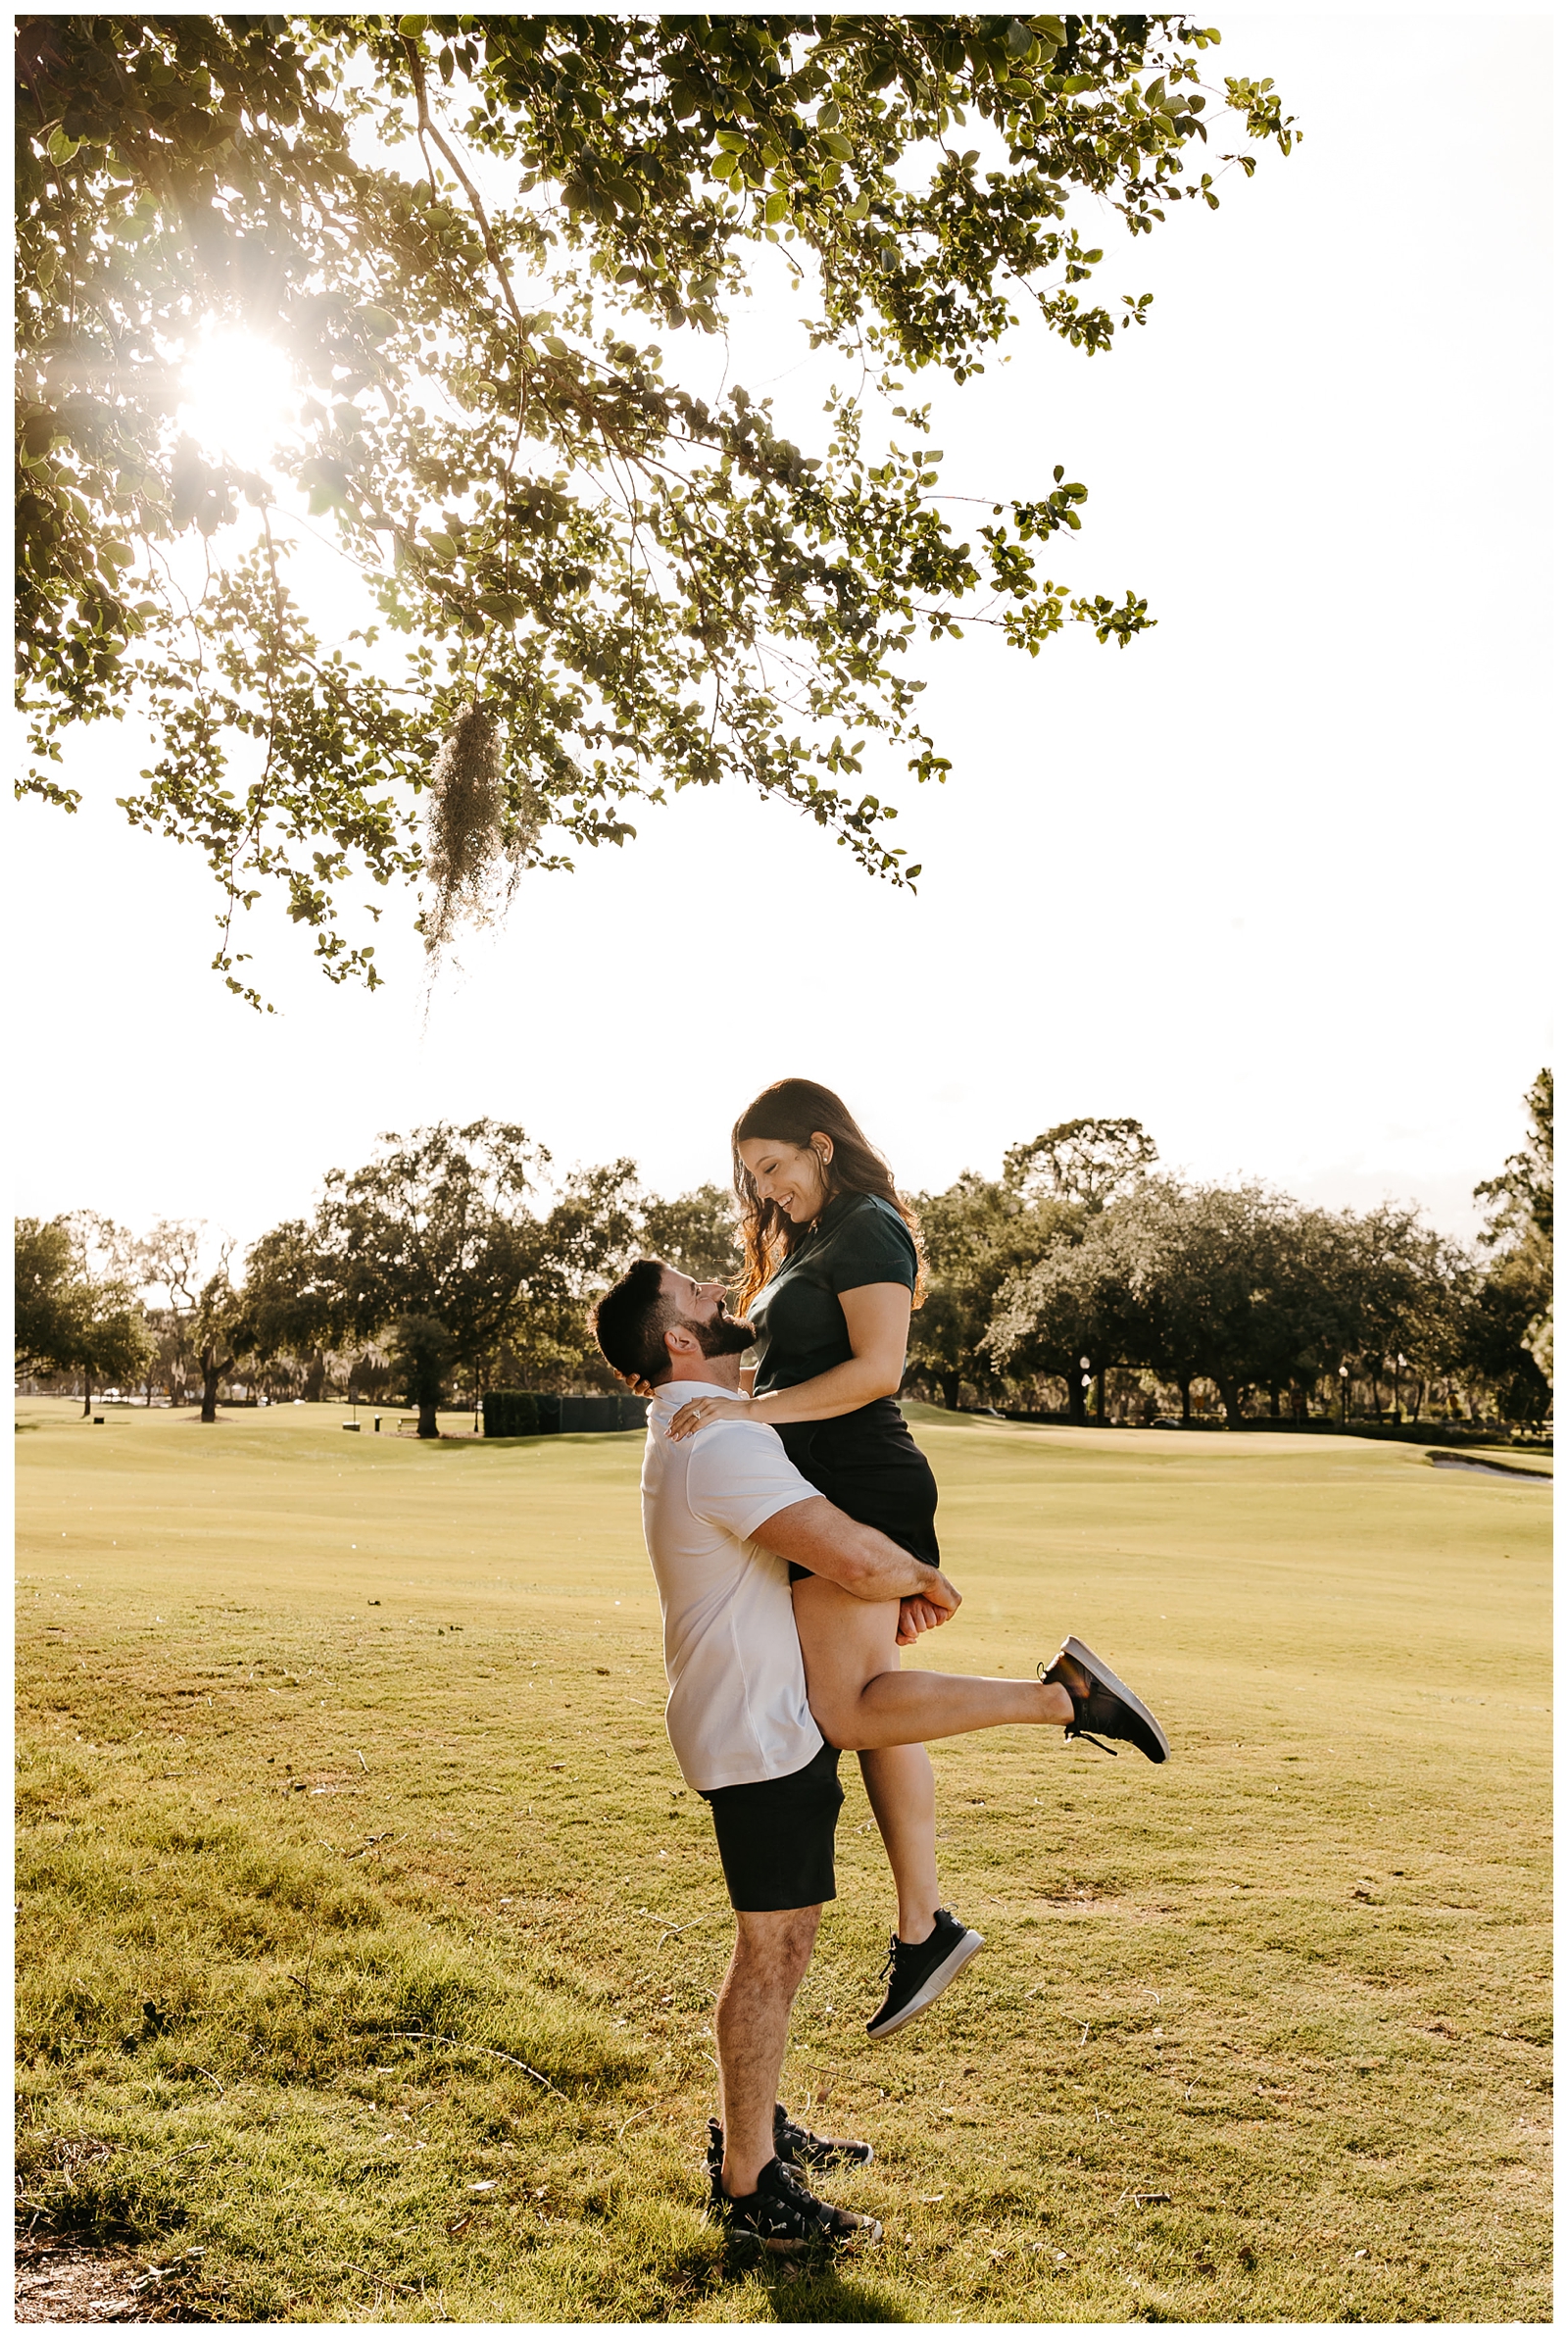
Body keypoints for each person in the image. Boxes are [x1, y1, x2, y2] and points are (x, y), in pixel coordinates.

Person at [591, 1257, 1167, 2251]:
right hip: (755, 1729)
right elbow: (849, 1556)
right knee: (772, 1953)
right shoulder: (715, 1447)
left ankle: (756, 2125)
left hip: (762, 1716)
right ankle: (750, 2187)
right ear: (679, 1341)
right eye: (700, 1298)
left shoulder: (707, 1431)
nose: (721, 1298)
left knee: (785, 1943)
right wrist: (924, 1583)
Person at [662, 1078, 980, 2036]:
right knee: (870, 1699)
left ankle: (1059, 1699)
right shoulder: (808, 1243)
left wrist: (750, 1411)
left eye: (773, 1168)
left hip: (857, 1477)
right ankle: (922, 1924)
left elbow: (876, 1370)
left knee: (848, 1708)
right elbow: (795, 1363)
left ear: (821, 1144)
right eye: (752, 1179)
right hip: (820, 1485)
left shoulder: (869, 1226)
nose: (765, 1191)